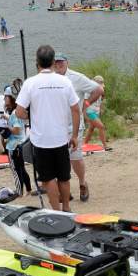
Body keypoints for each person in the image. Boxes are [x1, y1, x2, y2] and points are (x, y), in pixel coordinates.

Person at [16, 45, 80, 211]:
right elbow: (75, 109)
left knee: (48, 178)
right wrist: (74, 135)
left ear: (37, 62)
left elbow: (19, 111)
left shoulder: (30, 83)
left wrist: (31, 118)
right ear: (53, 61)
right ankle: (66, 207)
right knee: (64, 177)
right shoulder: (64, 81)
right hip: (61, 137)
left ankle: (56, 210)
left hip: (41, 140)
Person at [53, 52, 102, 202]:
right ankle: (64, 191)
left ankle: (82, 183)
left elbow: (98, 90)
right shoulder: (51, 79)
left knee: (75, 158)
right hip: (56, 126)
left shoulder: (76, 77)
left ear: (67, 62)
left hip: (74, 125)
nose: (59, 65)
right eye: (56, 62)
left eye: (61, 62)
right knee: (60, 159)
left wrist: (85, 105)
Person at [4, 91, 31, 195]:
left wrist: (6, 127)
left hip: (13, 146)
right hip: (21, 144)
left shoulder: (14, 114)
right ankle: (28, 190)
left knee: (15, 170)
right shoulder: (17, 112)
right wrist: (7, 118)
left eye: (6, 98)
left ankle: (19, 192)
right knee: (22, 169)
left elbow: (16, 130)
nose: (4, 101)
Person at [82, 76, 110, 150]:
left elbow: (100, 102)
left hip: (95, 112)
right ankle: (105, 146)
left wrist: (100, 110)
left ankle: (84, 144)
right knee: (101, 127)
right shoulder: (89, 91)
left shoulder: (100, 90)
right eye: (100, 83)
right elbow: (85, 102)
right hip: (90, 112)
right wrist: (84, 114)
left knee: (91, 129)